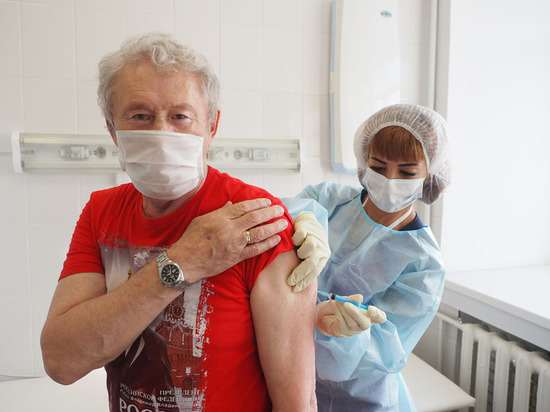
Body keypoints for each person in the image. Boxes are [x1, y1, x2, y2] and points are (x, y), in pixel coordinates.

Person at [40, 32, 318, 412]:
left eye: (180, 116)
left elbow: (297, 403)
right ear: (112, 130)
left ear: (211, 127)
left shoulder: (255, 221)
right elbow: (60, 360)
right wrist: (181, 263)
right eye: (140, 116)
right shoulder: (101, 212)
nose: (161, 135)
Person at [287, 103, 451, 411]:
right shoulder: (323, 201)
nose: (390, 179)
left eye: (407, 172)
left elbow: (384, 352)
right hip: (290, 376)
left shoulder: (424, 265)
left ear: (430, 175)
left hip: (361, 398)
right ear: (364, 162)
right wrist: (297, 217)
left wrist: (343, 333)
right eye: (378, 167)